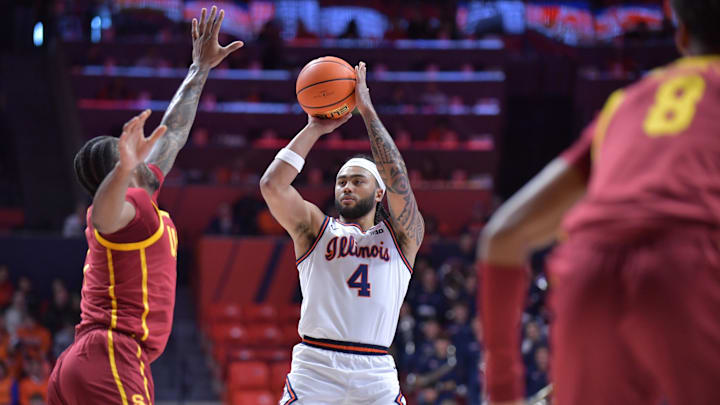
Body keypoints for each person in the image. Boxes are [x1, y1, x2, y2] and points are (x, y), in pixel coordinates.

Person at [478, 1, 720, 404]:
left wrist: (503, 393)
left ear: (681, 36)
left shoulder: (626, 104)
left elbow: (502, 235)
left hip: (587, 271)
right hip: (690, 265)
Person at [47, 6, 243, 405]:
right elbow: (103, 215)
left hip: (88, 358)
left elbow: (174, 134)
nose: (151, 151)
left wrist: (199, 68)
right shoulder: (127, 208)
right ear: (122, 169)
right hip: (111, 357)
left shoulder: (140, 197)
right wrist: (123, 171)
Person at [260, 61, 424, 404]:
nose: (346, 186)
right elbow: (272, 186)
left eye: (357, 180)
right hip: (316, 367)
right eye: (341, 181)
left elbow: (398, 179)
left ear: (379, 193)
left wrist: (367, 112)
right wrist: (314, 129)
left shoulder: (403, 238)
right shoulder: (316, 231)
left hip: (376, 371)